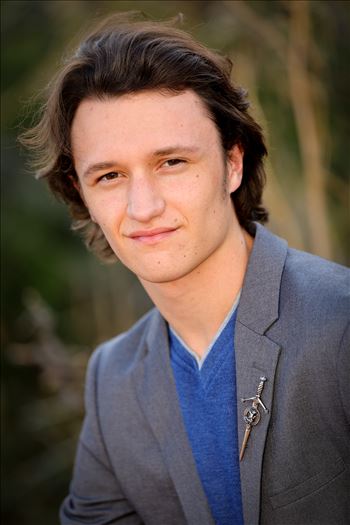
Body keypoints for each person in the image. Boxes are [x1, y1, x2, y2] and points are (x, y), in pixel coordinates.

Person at [21, 12, 350, 525]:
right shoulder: (113, 381)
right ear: (81, 193)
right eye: (109, 175)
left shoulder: (340, 323)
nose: (143, 206)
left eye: (172, 162)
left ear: (233, 163)